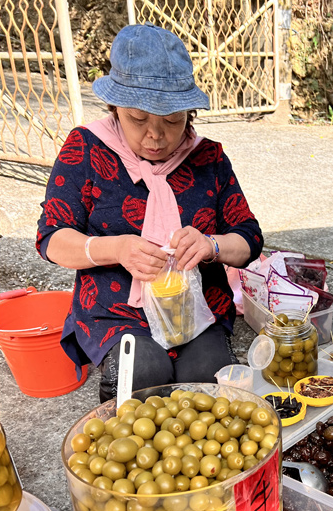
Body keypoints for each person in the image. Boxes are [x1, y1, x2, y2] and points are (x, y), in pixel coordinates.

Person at [36, 23, 263, 402]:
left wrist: (211, 245)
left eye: (172, 121)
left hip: (196, 309)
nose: (155, 136)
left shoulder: (209, 158)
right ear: (115, 108)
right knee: (145, 377)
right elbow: (52, 238)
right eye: (138, 120)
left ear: (189, 114)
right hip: (117, 310)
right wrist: (117, 249)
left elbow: (250, 238)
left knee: (205, 384)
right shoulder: (87, 149)